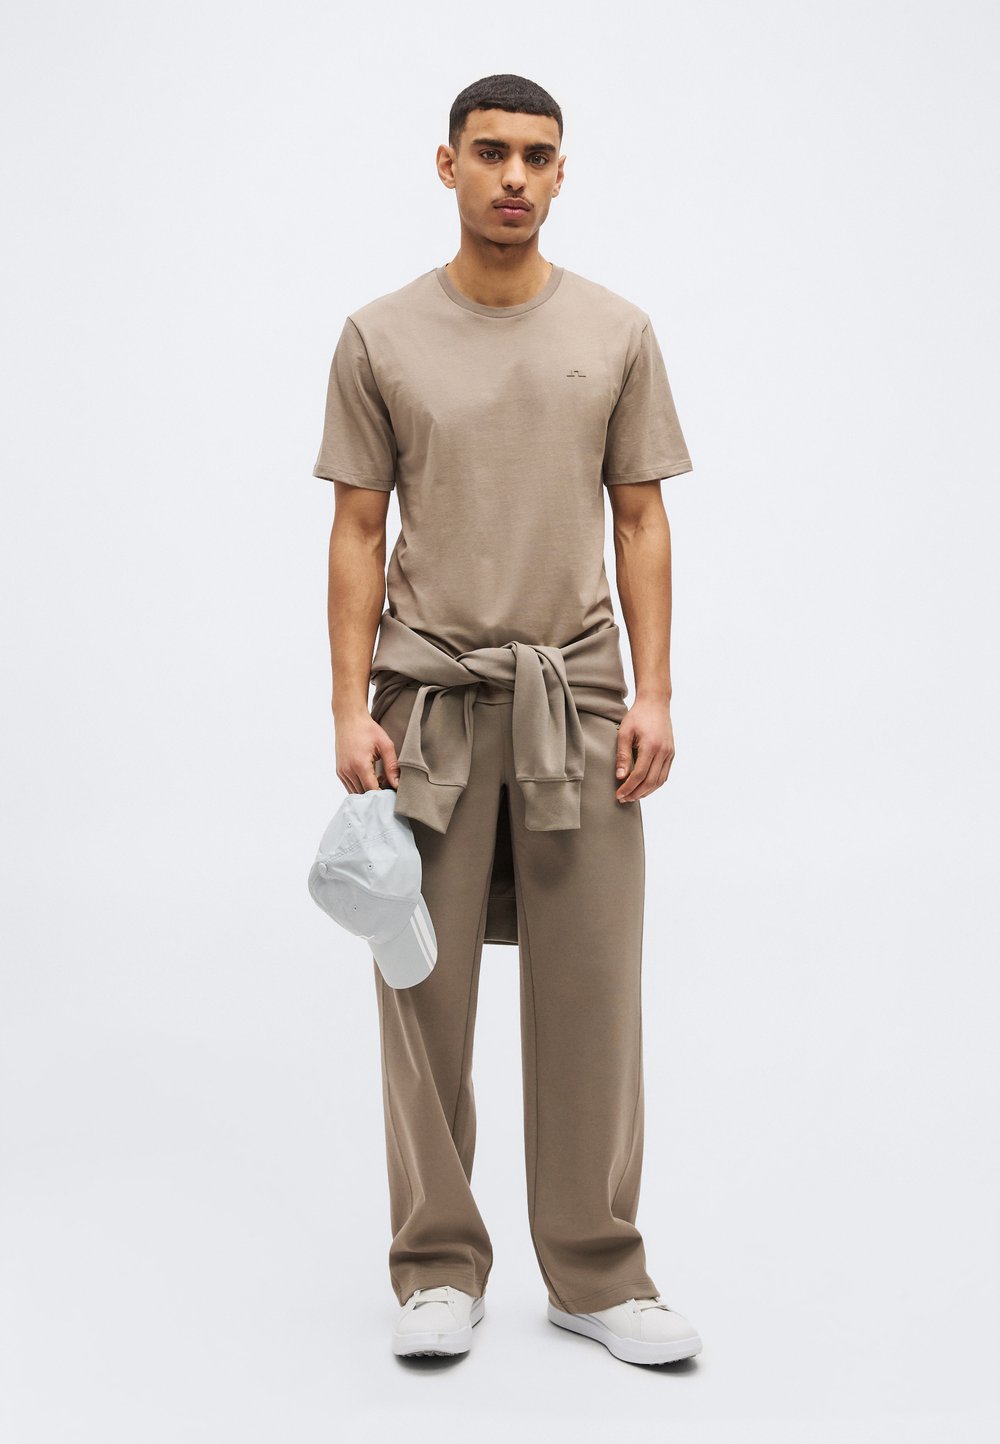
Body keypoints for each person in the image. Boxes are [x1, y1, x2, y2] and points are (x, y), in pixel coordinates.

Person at [312, 72, 703, 1367]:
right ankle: (436, 1266)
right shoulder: (379, 336)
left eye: (538, 155)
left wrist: (654, 692)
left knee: (592, 988)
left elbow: (640, 518)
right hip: (426, 704)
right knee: (419, 987)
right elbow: (357, 528)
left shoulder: (616, 330)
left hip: (577, 700)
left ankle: (597, 1272)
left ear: (562, 170)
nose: (515, 177)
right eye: (491, 153)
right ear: (448, 165)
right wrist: (347, 706)